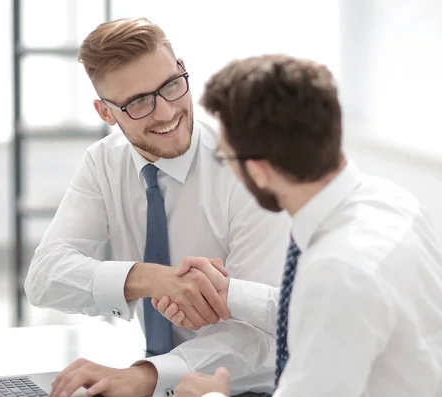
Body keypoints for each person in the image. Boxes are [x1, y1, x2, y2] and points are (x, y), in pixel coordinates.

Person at [23, 18, 291, 397]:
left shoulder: (248, 171)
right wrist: (153, 278)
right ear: (105, 113)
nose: (165, 113)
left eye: (170, 86)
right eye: (137, 103)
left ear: (181, 69)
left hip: (249, 388)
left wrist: (147, 375)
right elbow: (44, 277)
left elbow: (259, 333)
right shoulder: (104, 162)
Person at [151, 54, 442, 397]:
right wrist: (231, 294)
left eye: (226, 158)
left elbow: (334, 301)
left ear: (259, 169)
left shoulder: (338, 272)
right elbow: (328, 319)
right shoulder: (391, 200)